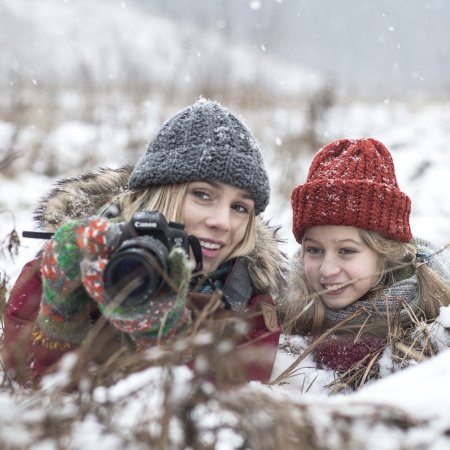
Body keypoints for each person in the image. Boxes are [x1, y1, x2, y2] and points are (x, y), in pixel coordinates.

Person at [3, 98, 285, 387]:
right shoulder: (64, 265)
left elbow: (223, 406)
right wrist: (63, 313)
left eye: (240, 208)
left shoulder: (248, 303)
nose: (223, 222)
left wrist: (162, 335)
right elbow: (27, 387)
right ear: (160, 194)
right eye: (203, 195)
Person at [278, 137, 450, 391]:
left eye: (346, 251)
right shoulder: (281, 312)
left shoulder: (435, 325)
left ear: (385, 254)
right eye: (314, 250)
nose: (327, 270)